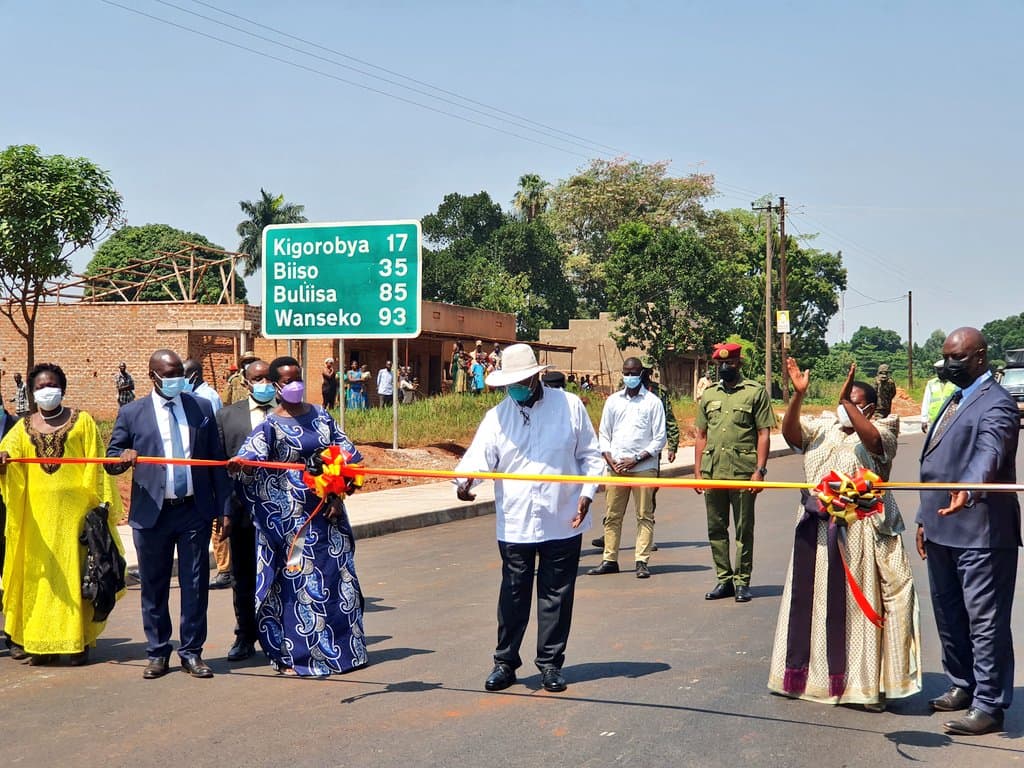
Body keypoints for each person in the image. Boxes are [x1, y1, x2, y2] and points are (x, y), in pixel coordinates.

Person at [768, 359, 921, 711]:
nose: (843, 404)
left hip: (862, 534)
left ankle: (866, 686)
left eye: (852, 400)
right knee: (817, 603)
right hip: (818, 530)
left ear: (866, 406)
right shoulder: (822, 427)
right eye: (842, 400)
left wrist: (851, 408)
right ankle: (811, 677)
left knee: (859, 609)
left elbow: (876, 445)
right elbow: (791, 435)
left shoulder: (884, 427)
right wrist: (798, 396)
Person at [453, 343, 604, 693]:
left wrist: (587, 494)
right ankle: (505, 663)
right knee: (514, 593)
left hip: (562, 517)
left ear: (536, 376)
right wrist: (465, 482)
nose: (515, 389)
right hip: (517, 521)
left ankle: (550, 664)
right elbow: (478, 458)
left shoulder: (570, 408)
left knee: (556, 593)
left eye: (521, 382)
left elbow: (591, 458)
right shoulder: (497, 418)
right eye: (510, 384)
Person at [226, 356, 368, 677]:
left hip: (328, 515)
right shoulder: (270, 426)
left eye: (297, 379)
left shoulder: (322, 416)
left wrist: (336, 492)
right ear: (276, 387)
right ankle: (301, 658)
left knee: (338, 581)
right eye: (287, 381)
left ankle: (346, 653)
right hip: (293, 522)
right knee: (301, 587)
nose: (294, 386)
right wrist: (241, 463)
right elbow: (251, 456)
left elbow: (348, 454)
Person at [916, 327, 1021, 736]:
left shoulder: (998, 403)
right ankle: (963, 683)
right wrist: (926, 519)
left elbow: (989, 452)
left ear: (980, 357)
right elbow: (936, 463)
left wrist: (970, 487)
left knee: (985, 618)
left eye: (956, 357)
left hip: (981, 530)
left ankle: (990, 703)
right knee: (949, 613)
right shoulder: (956, 399)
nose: (948, 365)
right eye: (946, 357)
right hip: (943, 524)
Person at [105, 349, 231, 680]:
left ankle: (191, 652)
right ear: (152, 376)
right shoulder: (133, 413)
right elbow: (111, 459)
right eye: (169, 374)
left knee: (195, 584)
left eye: (179, 373)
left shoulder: (200, 407)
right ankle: (158, 651)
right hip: (152, 514)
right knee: (154, 585)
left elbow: (216, 461)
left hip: (194, 510)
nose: (177, 379)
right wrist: (124, 457)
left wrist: (224, 508)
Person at [0, 363, 125, 666]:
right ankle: (42, 645)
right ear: (32, 393)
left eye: (52, 385)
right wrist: (4, 461)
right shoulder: (21, 428)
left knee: (76, 576)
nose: (47, 391)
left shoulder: (82, 422)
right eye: (40, 387)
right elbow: (8, 459)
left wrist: (100, 508)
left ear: (63, 388)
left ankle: (77, 642)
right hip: (36, 520)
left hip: (75, 516)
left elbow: (96, 467)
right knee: (41, 579)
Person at [694, 342, 774, 603]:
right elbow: (701, 435)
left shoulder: (755, 392)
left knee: (743, 530)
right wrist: (698, 473)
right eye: (720, 365)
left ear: (739, 364)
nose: (724, 368)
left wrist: (759, 471)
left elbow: (764, 433)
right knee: (716, 529)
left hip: (742, 472)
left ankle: (742, 581)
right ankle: (724, 580)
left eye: (729, 364)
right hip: (713, 472)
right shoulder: (708, 395)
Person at [215, 358, 275, 663]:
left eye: (269, 378)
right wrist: (223, 512)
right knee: (244, 577)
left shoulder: (290, 412)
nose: (264, 384)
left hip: (282, 514)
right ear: (245, 381)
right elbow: (220, 471)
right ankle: (245, 635)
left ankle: (280, 635)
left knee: (283, 574)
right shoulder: (227, 417)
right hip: (242, 513)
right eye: (258, 378)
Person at [589, 357, 666, 579]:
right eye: (626, 372)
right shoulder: (613, 401)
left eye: (633, 373)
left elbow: (659, 439)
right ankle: (609, 559)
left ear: (641, 374)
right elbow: (604, 434)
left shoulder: (653, 402)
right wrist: (609, 458)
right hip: (616, 468)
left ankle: (641, 560)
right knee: (612, 515)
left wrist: (636, 459)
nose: (629, 377)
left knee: (644, 515)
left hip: (644, 468)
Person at [920, 359, 956, 433]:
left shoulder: (955, 383)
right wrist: (924, 420)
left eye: (941, 370)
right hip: (934, 419)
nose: (939, 372)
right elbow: (926, 402)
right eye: (937, 370)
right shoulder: (931, 383)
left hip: (950, 418)